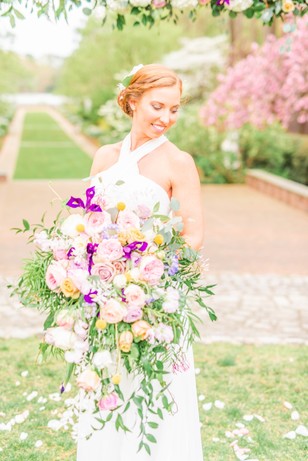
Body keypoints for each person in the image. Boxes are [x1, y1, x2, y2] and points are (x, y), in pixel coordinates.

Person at [77, 63, 204, 461]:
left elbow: (193, 235)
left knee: (155, 390)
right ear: (132, 101)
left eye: (175, 109)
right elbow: (87, 223)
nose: (166, 118)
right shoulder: (104, 156)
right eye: (157, 106)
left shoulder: (178, 162)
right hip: (104, 297)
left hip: (154, 299)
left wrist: (149, 282)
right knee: (107, 383)